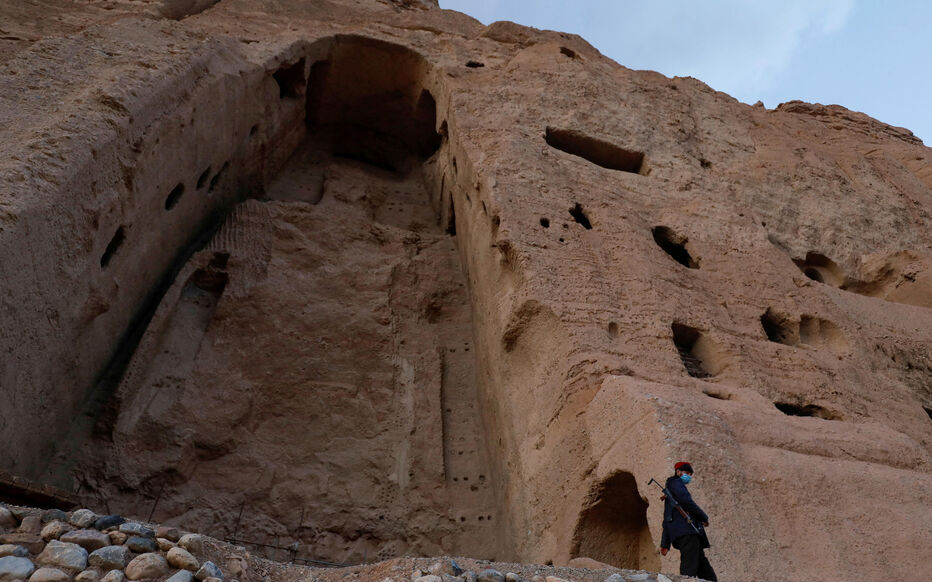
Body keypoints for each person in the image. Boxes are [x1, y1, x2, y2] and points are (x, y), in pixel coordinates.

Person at [659, 461, 717, 581]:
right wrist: (704, 517)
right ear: (678, 472)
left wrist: (665, 543)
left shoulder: (670, 491)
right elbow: (687, 502)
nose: (689, 476)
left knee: (704, 568)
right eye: (686, 473)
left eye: (690, 474)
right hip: (687, 533)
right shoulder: (676, 483)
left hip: (683, 535)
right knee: (688, 570)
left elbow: (667, 519)